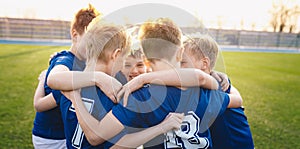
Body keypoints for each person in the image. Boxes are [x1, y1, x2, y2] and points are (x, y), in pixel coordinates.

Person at [66, 18, 243, 149]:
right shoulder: (205, 90)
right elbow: (236, 100)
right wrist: (219, 78)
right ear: (180, 52)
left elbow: (104, 139)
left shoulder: (139, 96)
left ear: (146, 61)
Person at [31, 4, 100, 149]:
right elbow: (39, 104)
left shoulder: (80, 61)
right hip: (51, 138)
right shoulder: (65, 62)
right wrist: (44, 79)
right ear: (75, 35)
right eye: (90, 41)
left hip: (61, 134)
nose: (94, 47)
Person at [181, 36, 254, 149]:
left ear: (204, 63)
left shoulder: (216, 86)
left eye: (183, 62)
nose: (178, 68)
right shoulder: (214, 80)